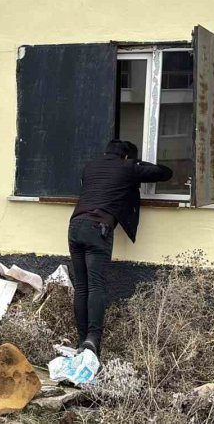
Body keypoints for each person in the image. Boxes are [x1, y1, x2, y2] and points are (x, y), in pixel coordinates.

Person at [68, 139, 173, 356]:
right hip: (98, 227)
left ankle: (82, 342)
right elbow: (164, 173)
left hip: (75, 225)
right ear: (125, 156)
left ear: (106, 152)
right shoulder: (127, 167)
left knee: (82, 285)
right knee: (96, 285)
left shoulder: (90, 166)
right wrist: (137, 164)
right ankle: (93, 340)